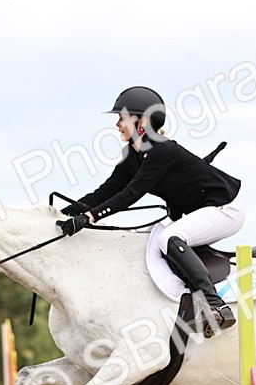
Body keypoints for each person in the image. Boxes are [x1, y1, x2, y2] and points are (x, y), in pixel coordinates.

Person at [58, 85, 244, 336]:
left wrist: (89, 218)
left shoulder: (161, 150)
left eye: (121, 118)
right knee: (153, 237)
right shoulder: (133, 155)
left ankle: (215, 307)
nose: (117, 125)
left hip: (225, 209)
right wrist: (64, 213)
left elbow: (131, 194)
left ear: (142, 120)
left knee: (169, 237)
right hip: (206, 210)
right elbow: (107, 192)